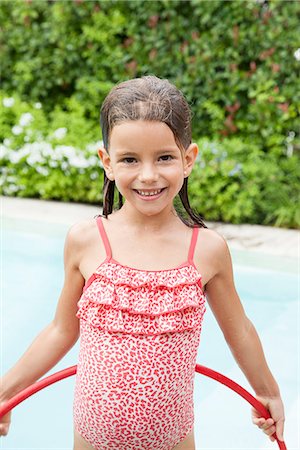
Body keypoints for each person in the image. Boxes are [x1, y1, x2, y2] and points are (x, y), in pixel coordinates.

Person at [0, 75, 285, 450]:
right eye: (130, 159)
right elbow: (60, 330)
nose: (148, 175)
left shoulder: (206, 250)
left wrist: (269, 393)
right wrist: (5, 393)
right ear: (108, 162)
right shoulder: (87, 241)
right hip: (92, 439)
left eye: (164, 157)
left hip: (173, 440)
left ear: (188, 159)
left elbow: (241, 333)